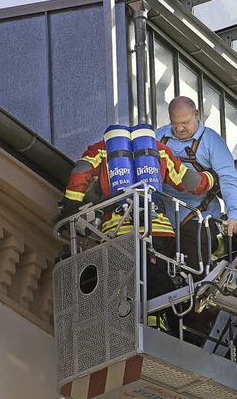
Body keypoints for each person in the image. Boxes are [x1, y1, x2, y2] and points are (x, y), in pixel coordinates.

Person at [60, 134, 217, 334]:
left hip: (116, 232)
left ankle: (126, 324)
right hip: (157, 229)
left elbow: (81, 171)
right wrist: (213, 177)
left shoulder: (102, 149)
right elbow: (191, 182)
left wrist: (70, 205)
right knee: (157, 275)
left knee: (120, 279)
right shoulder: (158, 150)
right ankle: (160, 324)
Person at [156, 95, 237, 344]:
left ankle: (198, 331)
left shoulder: (211, 141)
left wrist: (234, 214)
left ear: (196, 116)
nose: (180, 128)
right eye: (175, 124)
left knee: (196, 274)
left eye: (185, 122)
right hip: (163, 218)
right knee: (160, 276)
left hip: (197, 217)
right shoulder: (158, 137)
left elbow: (228, 177)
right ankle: (170, 326)